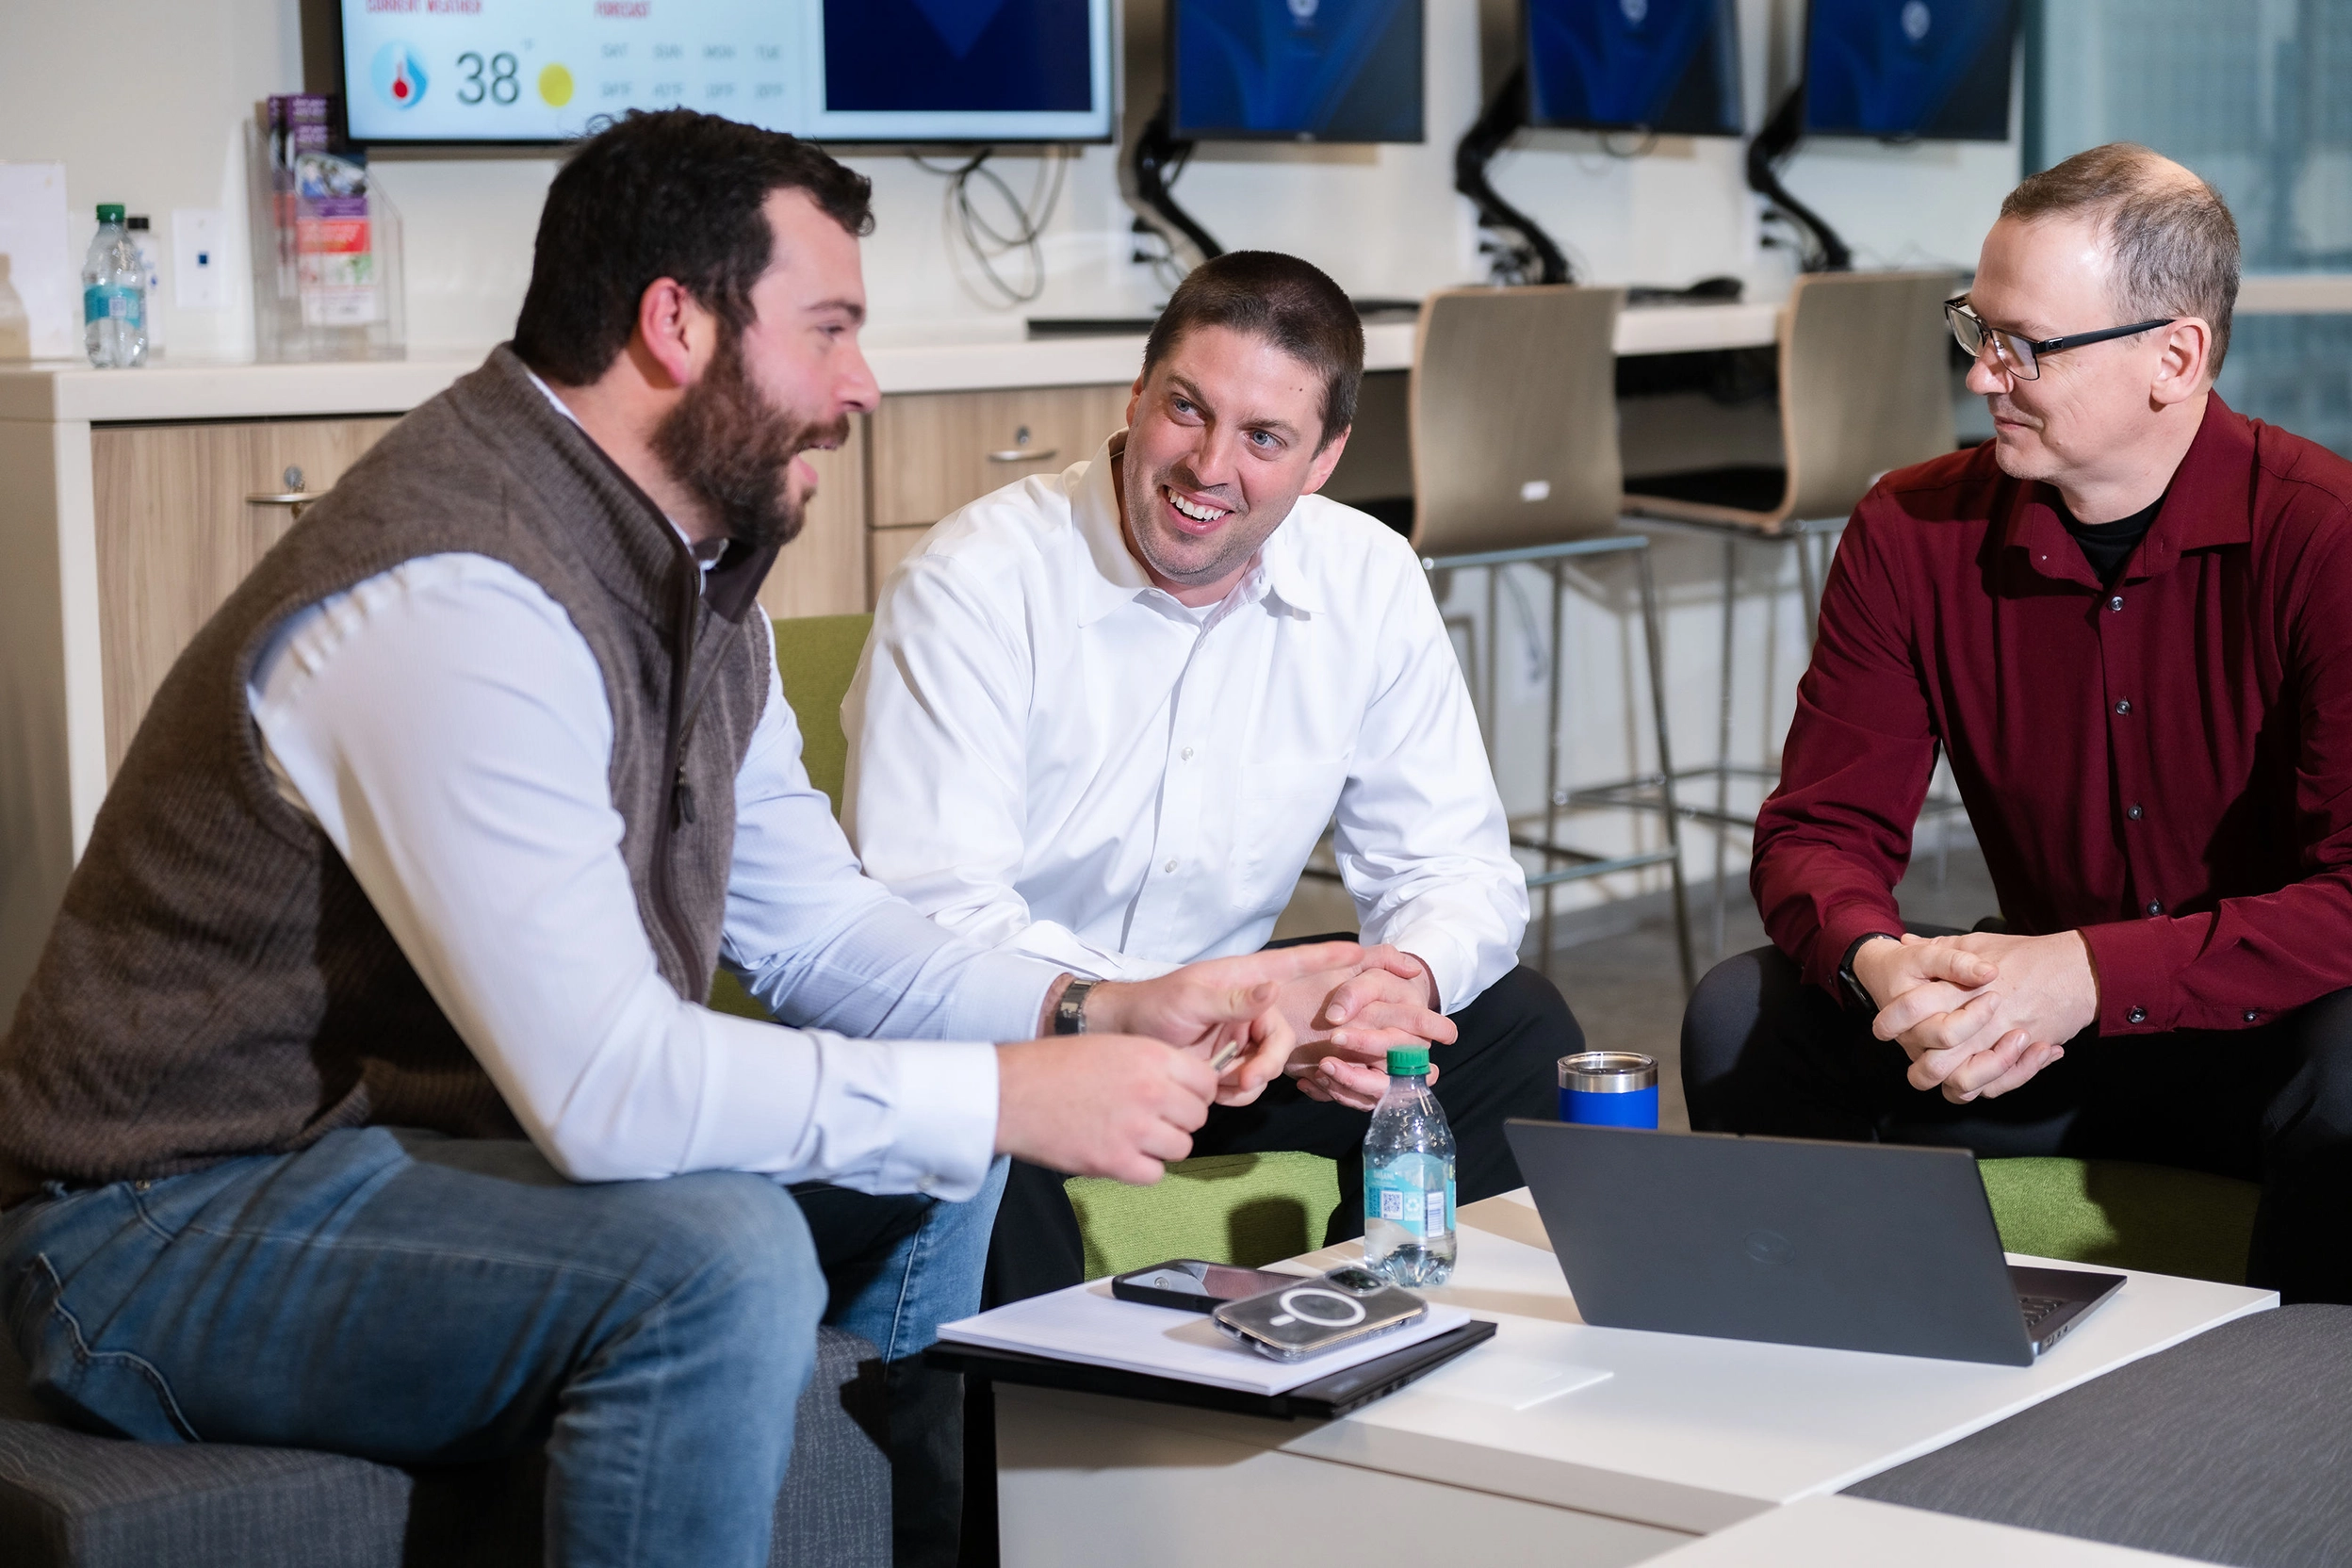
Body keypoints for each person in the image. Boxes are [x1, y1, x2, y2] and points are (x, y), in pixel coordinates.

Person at [0, 110, 1355, 1568]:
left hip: (409, 1156)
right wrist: (1000, 1093)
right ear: (677, 326)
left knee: (930, 1162)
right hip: (151, 1222)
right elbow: (604, 1088)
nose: (862, 386)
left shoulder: (692, 584)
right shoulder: (457, 591)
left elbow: (820, 933)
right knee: (721, 1259)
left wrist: (1099, 1005)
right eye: (828, 330)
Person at [1681, 142, 2352, 1303]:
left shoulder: (2324, 537)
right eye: (1976, 327)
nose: (1984, 374)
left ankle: (2288, 1425)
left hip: (2268, 1033)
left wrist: (2092, 972)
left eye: (2025, 344)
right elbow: (1817, 830)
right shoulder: (1911, 528)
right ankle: (1831, 1357)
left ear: (2175, 357)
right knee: (1745, 1015)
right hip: (2032, 1033)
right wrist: (1883, 964)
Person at [841, 250, 1572, 1303]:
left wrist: (1388, 987)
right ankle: (1043, 1452)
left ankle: (1415, 1359)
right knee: (985, 1131)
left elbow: (1454, 863)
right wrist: (1150, 1010)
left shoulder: (1369, 576)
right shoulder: (973, 585)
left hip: (1240, 1039)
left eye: (1265, 437)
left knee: (1518, 1026)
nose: (1208, 465)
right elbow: (935, 920)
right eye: (1187, 410)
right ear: (1137, 396)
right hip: (1050, 1026)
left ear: (1324, 459)